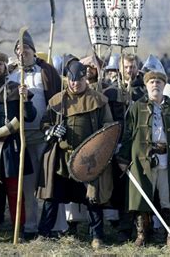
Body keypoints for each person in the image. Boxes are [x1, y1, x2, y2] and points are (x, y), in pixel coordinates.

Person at [36, 61, 114, 249]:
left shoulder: (98, 100)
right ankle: (44, 234)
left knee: (92, 199)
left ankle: (97, 236)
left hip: (88, 160)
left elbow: (108, 127)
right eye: (71, 80)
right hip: (62, 157)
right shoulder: (57, 100)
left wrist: (97, 149)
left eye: (78, 80)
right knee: (52, 197)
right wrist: (52, 130)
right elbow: (44, 124)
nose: (75, 84)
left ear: (85, 79)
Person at [118, 69, 170, 247]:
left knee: (168, 197)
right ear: (146, 85)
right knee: (143, 197)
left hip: (169, 158)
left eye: (159, 82)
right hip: (143, 159)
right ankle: (143, 235)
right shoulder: (137, 106)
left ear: (164, 85)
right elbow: (128, 134)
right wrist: (123, 158)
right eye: (151, 82)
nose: (155, 85)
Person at [8, 31, 63, 239]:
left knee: (49, 182)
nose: (23, 55)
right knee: (27, 185)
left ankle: (55, 227)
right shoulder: (12, 75)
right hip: (21, 137)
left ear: (33, 51)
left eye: (27, 51)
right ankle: (30, 226)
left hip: (45, 136)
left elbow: (57, 99)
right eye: (19, 52)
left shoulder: (45, 72)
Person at [0, 51, 36, 242]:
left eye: (0, 64)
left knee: (14, 189)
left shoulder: (16, 88)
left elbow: (29, 116)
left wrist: (26, 100)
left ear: (6, 67)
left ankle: (19, 228)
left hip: (11, 147)